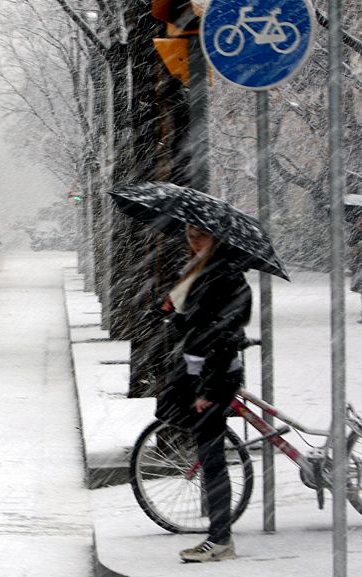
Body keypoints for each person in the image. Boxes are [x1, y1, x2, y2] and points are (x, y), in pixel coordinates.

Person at [155, 224, 252, 563]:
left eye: (201, 235)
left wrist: (208, 389)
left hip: (215, 377)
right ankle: (218, 536)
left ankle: (221, 539)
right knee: (210, 456)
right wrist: (170, 309)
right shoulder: (202, 270)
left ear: (218, 237)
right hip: (200, 374)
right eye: (189, 234)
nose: (193, 241)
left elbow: (224, 335)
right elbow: (197, 323)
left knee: (212, 462)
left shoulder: (226, 276)